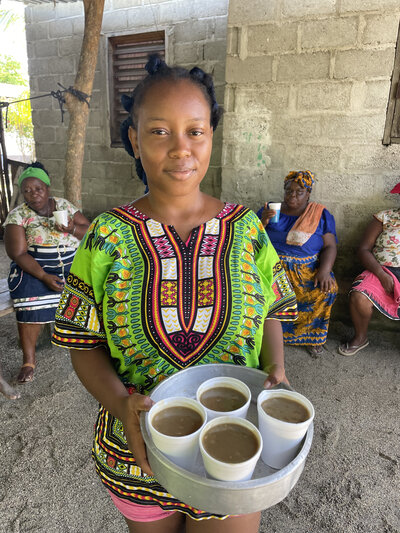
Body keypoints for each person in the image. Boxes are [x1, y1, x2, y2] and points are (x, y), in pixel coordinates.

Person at [52, 54, 297, 533]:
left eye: (196, 131)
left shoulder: (246, 228)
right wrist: (119, 404)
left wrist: (277, 369)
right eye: (160, 131)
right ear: (134, 138)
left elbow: (270, 307)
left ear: (211, 135)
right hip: (137, 451)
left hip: (237, 448)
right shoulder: (107, 235)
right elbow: (82, 343)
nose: (181, 149)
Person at [3, 162, 90, 383]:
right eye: (27, 190)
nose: (33, 194)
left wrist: (71, 229)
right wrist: (43, 276)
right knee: (27, 299)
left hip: (70, 264)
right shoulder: (18, 216)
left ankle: (89, 347)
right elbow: (18, 254)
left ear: (48, 188)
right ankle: (29, 361)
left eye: (38, 189)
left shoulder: (63, 206)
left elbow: (88, 231)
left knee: (93, 291)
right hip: (34, 266)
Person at [258, 170, 338, 357]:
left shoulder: (319, 214)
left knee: (327, 289)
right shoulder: (268, 209)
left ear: (308, 193)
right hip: (272, 267)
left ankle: (311, 338)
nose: (292, 195)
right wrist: (263, 221)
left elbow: (330, 247)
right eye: (289, 191)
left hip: (306, 270)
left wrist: (325, 271)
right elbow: (252, 237)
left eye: (299, 192)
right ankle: (265, 335)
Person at [338, 182, 400, 356]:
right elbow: (363, 249)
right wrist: (380, 274)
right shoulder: (385, 217)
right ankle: (360, 337)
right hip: (381, 270)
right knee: (360, 295)